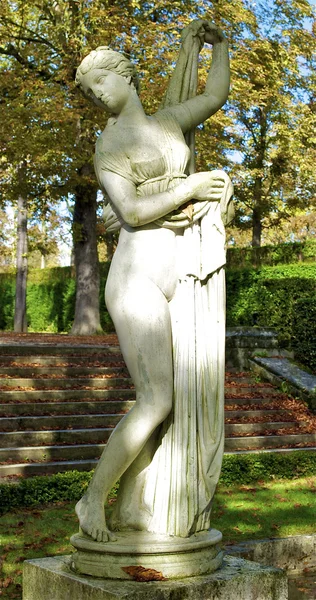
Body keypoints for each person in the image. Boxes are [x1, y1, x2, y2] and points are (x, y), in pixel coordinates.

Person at [75, 20, 233, 544]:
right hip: (137, 278)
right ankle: (91, 498)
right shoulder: (109, 148)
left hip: (181, 274)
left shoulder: (167, 123)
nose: (98, 96)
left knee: (179, 399)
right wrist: (188, 186)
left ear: (126, 75)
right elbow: (134, 210)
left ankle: (142, 509)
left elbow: (214, 94)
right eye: (91, 91)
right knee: (157, 400)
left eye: (102, 82)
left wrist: (221, 47)